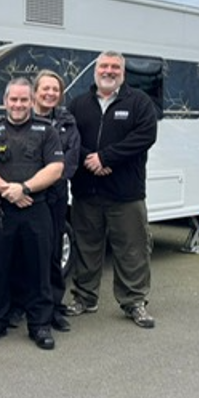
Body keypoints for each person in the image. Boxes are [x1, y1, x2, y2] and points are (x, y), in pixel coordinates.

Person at [65, 51, 158, 329]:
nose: (109, 71)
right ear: (95, 71)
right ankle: (84, 297)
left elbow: (144, 136)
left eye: (115, 67)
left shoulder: (139, 102)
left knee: (132, 249)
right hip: (86, 191)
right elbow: (69, 137)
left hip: (125, 194)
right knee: (86, 248)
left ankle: (134, 302)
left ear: (123, 72)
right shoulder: (79, 103)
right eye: (104, 66)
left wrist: (106, 158)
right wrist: (89, 159)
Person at [0, 78, 63, 350]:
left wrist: (23, 188)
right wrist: (7, 191)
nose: (18, 104)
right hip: (1, 211)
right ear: (5, 101)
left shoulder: (47, 131)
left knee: (39, 269)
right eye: (13, 99)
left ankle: (40, 326)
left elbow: (56, 168)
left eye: (24, 100)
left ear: (31, 101)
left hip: (36, 209)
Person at [30, 70, 80, 332]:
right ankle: (24, 305)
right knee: (25, 251)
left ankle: (53, 308)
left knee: (52, 252)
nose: (50, 93)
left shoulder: (67, 122)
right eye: (45, 89)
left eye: (55, 90)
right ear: (35, 91)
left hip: (56, 195)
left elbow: (71, 160)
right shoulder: (22, 119)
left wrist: (47, 178)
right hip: (28, 196)